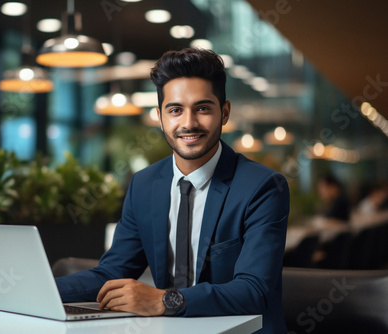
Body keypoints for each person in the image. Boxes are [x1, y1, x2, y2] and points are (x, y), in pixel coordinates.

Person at [55, 48, 289, 334]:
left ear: (224, 112)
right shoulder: (143, 184)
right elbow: (111, 273)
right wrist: (38, 289)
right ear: (160, 116)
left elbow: (253, 291)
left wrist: (165, 300)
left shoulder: (263, 187)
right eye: (175, 110)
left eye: (202, 108)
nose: (188, 123)